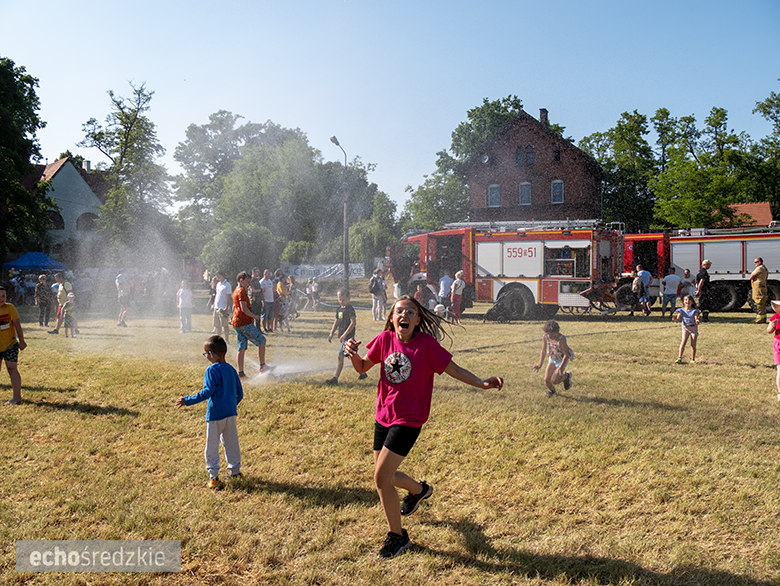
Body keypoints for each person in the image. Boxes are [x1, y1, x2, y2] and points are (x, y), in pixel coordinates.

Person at [343, 295, 503, 559]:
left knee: (381, 478)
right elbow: (361, 366)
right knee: (388, 476)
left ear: (417, 320)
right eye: (399, 311)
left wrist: (482, 383)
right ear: (392, 318)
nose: (404, 315)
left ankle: (398, 536)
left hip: (409, 419)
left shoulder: (427, 345)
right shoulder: (384, 340)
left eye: (410, 312)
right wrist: (352, 354)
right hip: (383, 416)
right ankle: (420, 491)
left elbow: (456, 370)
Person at [175, 335, 244, 487]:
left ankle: (213, 476)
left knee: (211, 445)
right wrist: (231, 405)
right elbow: (240, 393)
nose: (206, 356)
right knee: (232, 443)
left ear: (211, 354)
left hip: (215, 415)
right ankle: (236, 472)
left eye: (205, 353)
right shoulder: (232, 370)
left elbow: (207, 392)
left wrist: (187, 400)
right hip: (230, 414)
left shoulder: (211, 370)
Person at [232, 271, 272, 379]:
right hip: (244, 323)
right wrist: (254, 316)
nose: (249, 284)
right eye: (247, 281)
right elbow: (244, 308)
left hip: (236, 323)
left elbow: (234, 307)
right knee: (262, 341)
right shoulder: (241, 291)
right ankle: (262, 366)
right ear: (241, 280)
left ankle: (241, 374)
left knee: (241, 348)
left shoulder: (236, 290)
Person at [326, 288, 367, 384]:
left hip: (349, 338)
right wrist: (331, 333)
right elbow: (336, 322)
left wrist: (344, 335)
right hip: (344, 338)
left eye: (343, 299)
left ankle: (335, 378)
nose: (341, 301)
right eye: (339, 299)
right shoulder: (339, 309)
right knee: (352, 356)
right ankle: (362, 372)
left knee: (340, 357)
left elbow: (353, 323)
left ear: (348, 298)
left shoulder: (350, 309)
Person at [533, 320, 574, 397]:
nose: (552, 337)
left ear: (558, 331)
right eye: (550, 335)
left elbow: (566, 355)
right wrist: (540, 364)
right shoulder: (545, 337)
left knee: (554, 380)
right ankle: (552, 391)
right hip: (552, 358)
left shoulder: (561, 338)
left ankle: (567, 376)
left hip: (561, 359)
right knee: (547, 380)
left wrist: (560, 367)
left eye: (554, 335)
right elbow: (543, 351)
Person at [1, 287, 27, 406]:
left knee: (12, 368)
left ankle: (16, 397)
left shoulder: (9, 308)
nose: (1, 299)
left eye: (3, 296)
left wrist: (21, 341)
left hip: (10, 344)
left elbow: (17, 325)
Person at [673, 295, 702, 364]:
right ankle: (679, 358)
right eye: (686, 300)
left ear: (692, 302)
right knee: (683, 342)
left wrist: (697, 320)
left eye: (689, 300)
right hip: (685, 328)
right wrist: (675, 319)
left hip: (693, 328)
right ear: (683, 302)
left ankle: (693, 359)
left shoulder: (694, 311)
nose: (687, 301)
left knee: (693, 344)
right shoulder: (681, 310)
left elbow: (697, 320)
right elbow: (677, 320)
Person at [213, 271, 232, 345]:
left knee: (224, 324)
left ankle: (227, 340)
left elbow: (229, 298)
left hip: (223, 308)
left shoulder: (227, 285)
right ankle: (218, 339)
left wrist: (226, 308)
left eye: (217, 276)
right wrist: (214, 305)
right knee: (217, 324)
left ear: (220, 275)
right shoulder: (218, 284)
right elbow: (217, 296)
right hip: (217, 307)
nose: (216, 277)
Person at [766, 300, 780, 400]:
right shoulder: (775, 317)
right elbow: (769, 331)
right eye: (774, 306)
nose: (774, 307)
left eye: (776, 306)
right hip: (778, 344)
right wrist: (772, 326)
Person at [750, 257, 769, 324]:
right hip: (762, 287)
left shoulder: (759, 268)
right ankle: (763, 319)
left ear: (760, 262)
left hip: (758, 289)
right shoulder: (764, 268)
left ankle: (759, 320)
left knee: (758, 303)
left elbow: (751, 276)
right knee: (762, 303)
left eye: (756, 262)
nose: (755, 263)